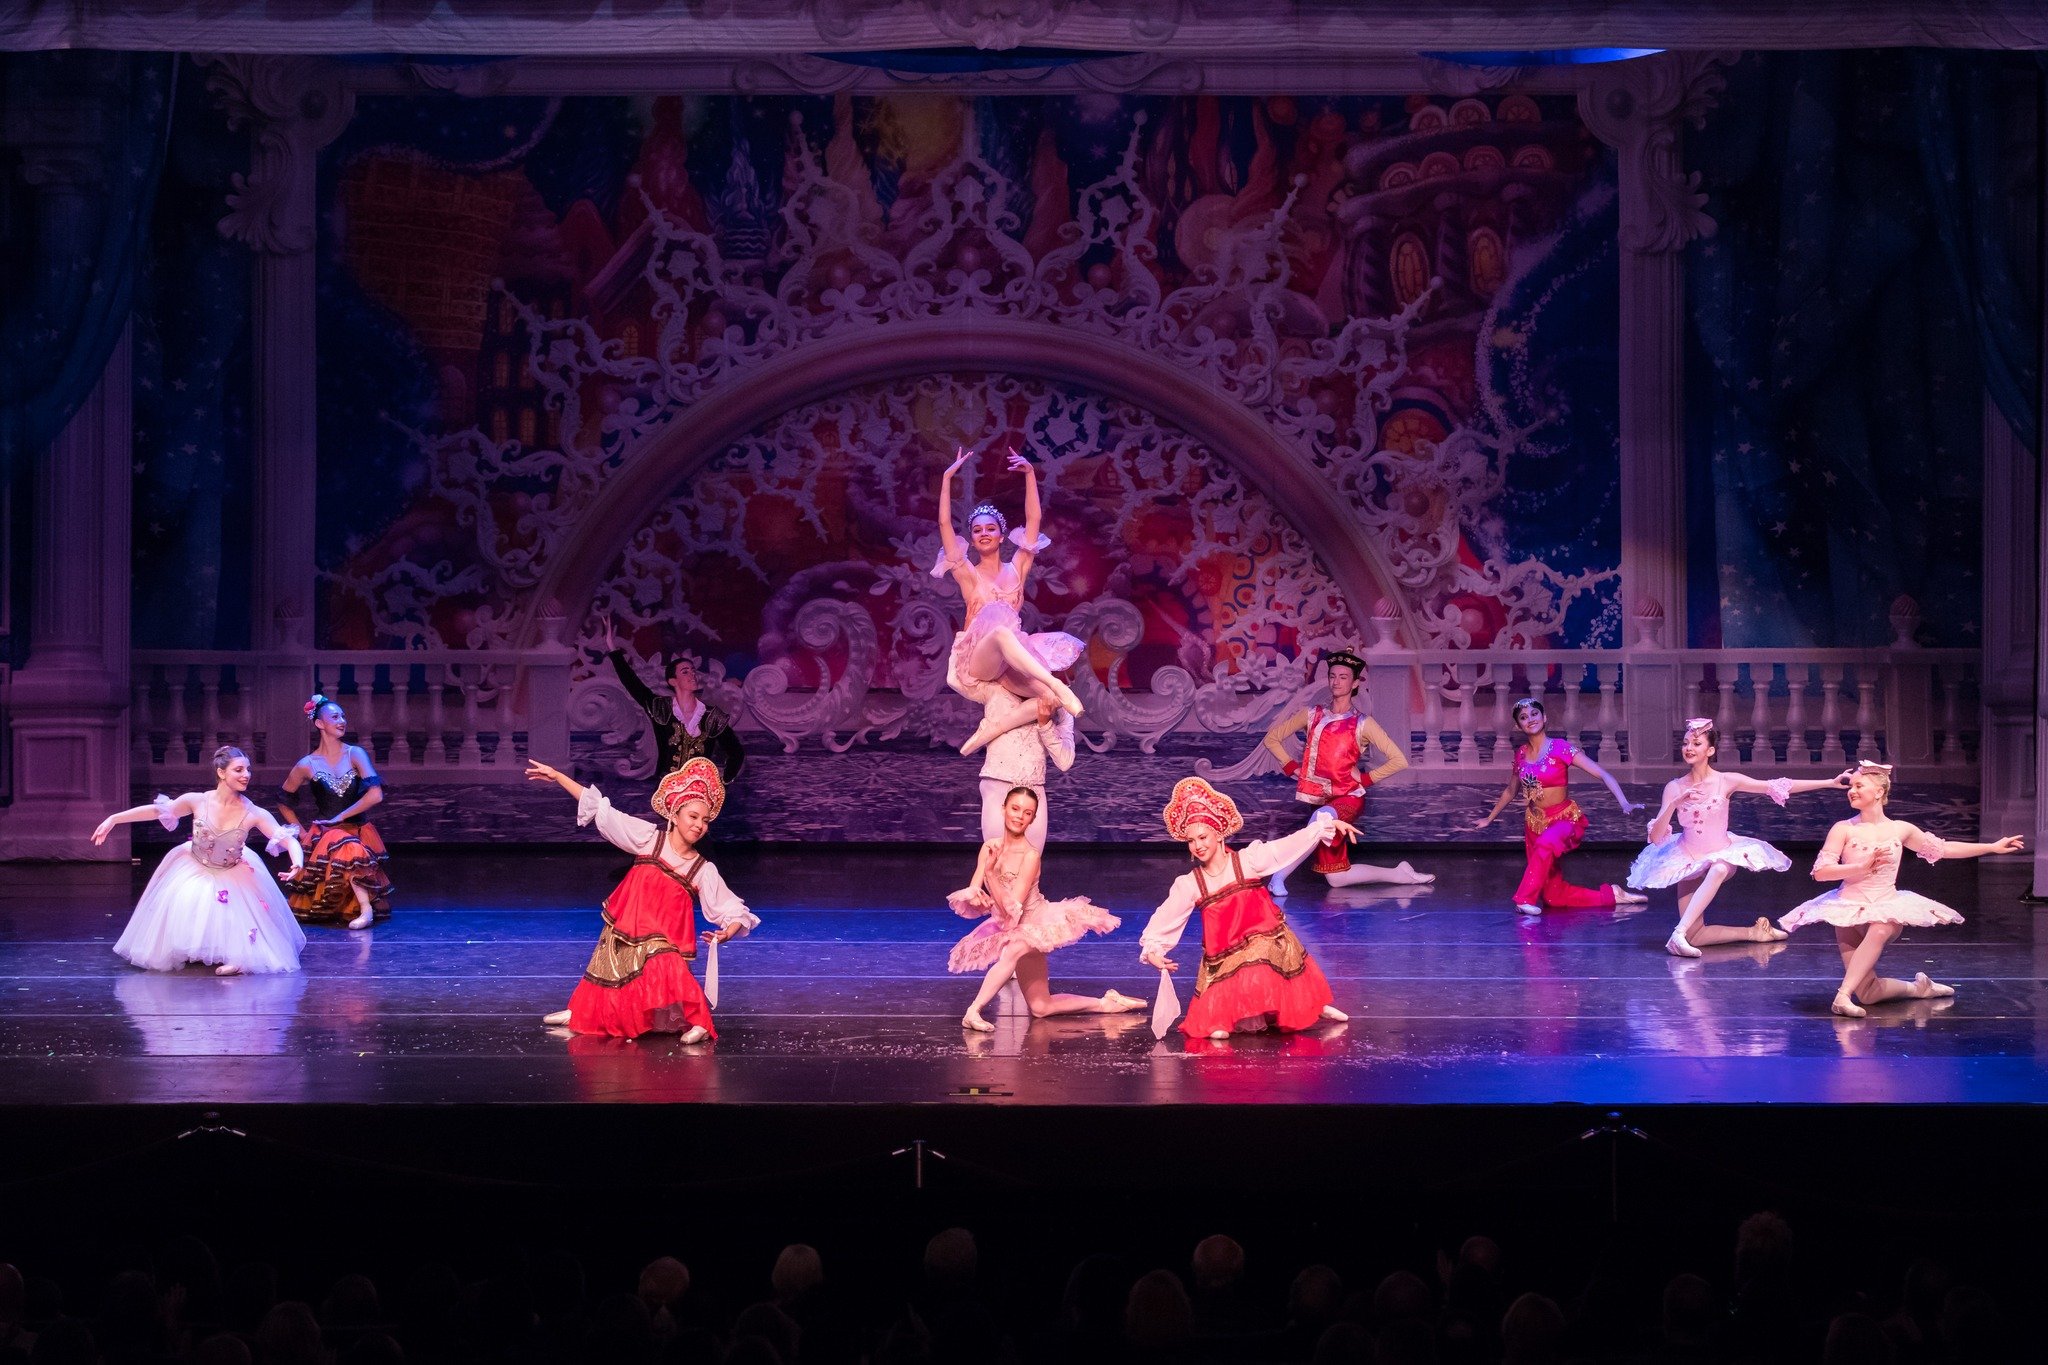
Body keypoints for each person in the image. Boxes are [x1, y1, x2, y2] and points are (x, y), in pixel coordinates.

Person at [525, 756, 757, 1041]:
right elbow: (603, 811)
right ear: (674, 815)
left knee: (667, 963)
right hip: (629, 923)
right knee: (608, 965)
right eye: (693, 817)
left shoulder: (701, 868)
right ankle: (582, 1011)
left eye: (705, 820)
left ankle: (700, 1021)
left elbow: (731, 908)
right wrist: (558, 776)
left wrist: (727, 932)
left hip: (662, 935)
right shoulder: (649, 839)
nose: (699, 825)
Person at [1778, 760, 2024, 1017]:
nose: (1852, 790)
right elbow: (1821, 873)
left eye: (1859, 785)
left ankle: (1841, 996)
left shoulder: (1900, 829)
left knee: (1882, 927)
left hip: (1886, 904)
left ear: (1879, 792)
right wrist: (1860, 867)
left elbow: (1943, 849)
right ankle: (1920, 988)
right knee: (1869, 994)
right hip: (1848, 909)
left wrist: (1991, 847)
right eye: (1851, 786)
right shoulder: (1843, 829)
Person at [1139, 776, 1355, 1039]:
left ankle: (1312, 1005)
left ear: (1218, 835)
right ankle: (1227, 1015)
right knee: (1219, 1016)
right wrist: (1154, 949)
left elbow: (1284, 847)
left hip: (1267, 944)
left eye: (1203, 837)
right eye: (1192, 841)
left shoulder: (1248, 861)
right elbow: (1167, 915)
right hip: (1225, 959)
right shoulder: (1191, 884)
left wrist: (1322, 827)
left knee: (1263, 945)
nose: (1199, 845)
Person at [1630, 717, 1849, 957]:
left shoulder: (1726, 780)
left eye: (1696, 744)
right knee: (1697, 936)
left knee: (1720, 868)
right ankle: (1755, 933)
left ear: (1710, 750)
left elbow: (1774, 785)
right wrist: (1673, 804)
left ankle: (1677, 934)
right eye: (1685, 744)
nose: (1688, 749)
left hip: (1721, 851)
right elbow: (1656, 837)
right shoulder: (1674, 787)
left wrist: (1829, 782)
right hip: (1687, 856)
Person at [94, 745, 306, 975]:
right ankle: (193, 948)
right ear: (221, 772)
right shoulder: (198, 801)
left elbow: (287, 840)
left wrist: (297, 862)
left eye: (248, 769)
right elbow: (158, 811)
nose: (246, 775)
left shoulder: (253, 812)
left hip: (231, 870)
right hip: (195, 865)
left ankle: (239, 956)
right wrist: (114, 819)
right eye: (238, 770)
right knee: (190, 900)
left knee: (233, 909)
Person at [948, 786, 1137, 1032]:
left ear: (1033, 818)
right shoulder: (989, 847)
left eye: (1027, 813)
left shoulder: (1030, 855)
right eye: (1015, 809)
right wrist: (977, 898)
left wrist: (992, 874)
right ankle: (1106, 1003)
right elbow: (975, 889)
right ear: (1003, 808)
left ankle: (973, 1011)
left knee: (1012, 951)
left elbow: (1012, 908)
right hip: (1007, 924)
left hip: (1034, 923)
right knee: (1041, 1007)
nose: (1019, 816)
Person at [934, 446, 1085, 750]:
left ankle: (994, 727)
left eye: (991, 529)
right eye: (978, 530)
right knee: (1001, 632)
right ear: (973, 540)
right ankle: (1055, 682)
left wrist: (1030, 474)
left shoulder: (1017, 568)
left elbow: (1034, 519)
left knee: (1050, 699)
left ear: (1002, 536)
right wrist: (947, 479)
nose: (984, 533)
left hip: (1010, 662)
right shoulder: (967, 573)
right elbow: (944, 525)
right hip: (980, 659)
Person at [1257, 647, 1431, 895]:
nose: (1336, 681)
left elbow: (1399, 759)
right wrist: (1292, 768)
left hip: (1349, 797)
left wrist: (1367, 778)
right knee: (1337, 878)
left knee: (1321, 821)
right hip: (1321, 799)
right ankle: (1399, 874)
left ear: (1355, 683)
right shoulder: (1312, 714)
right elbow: (1273, 738)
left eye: (1343, 677)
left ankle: (1279, 876)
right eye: (1333, 676)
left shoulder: (1362, 723)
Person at [1470, 696, 1646, 915]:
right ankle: (1612, 895)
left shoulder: (1561, 748)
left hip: (1564, 820)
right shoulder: (1522, 754)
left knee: (1546, 844)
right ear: (1518, 725)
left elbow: (1602, 773)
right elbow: (1511, 790)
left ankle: (1524, 898)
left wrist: (1624, 802)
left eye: (1534, 714)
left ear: (1544, 718)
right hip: (1534, 823)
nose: (1530, 719)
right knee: (1554, 897)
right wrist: (1490, 818)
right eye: (1524, 717)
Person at [275, 693, 391, 930]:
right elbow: (283, 801)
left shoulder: (354, 754)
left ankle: (366, 910)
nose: (342, 721)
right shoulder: (307, 764)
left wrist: (340, 817)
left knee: (350, 846)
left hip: (357, 829)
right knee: (343, 844)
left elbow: (375, 794)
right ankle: (364, 908)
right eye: (335, 716)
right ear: (319, 723)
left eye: (343, 716)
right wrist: (302, 832)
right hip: (326, 835)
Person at [600, 614, 744, 785]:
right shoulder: (661, 709)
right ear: (672, 681)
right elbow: (632, 683)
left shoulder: (712, 716)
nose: (692, 674)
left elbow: (736, 751)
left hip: (701, 791)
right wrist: (612, 648)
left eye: (692, 670)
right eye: (685, 671)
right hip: (668, 790)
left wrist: (724, 779)